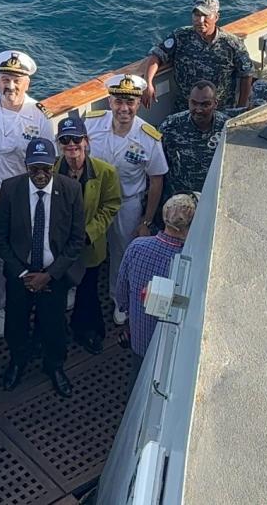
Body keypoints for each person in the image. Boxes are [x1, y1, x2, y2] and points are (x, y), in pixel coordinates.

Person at [0, 50, 55, 337]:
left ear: (28, 83)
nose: (10, 86)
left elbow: (44, 168)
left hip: (16, 199)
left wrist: (9, 195)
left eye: (17, 80)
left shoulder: (38, 117)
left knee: (5, 256)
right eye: (5, 79)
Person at [0, 138, 85, 395]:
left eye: (46, 168)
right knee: (16, 323)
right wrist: (23, 274)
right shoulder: (11, 189)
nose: (40, 174)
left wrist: (49, 276)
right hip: (20, 275)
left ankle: (54, 366)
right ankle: (17, 362)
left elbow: (77, 240)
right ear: (26, 166)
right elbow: (0, 237)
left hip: (55, 276)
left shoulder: (71, 190)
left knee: (54, 325)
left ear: (55, 164)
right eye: (34, 169)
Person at [85, 74, 168, 325]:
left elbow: (156, 180)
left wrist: (146, 220)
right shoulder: (91, 125)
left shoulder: (148, 137)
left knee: (122, 253)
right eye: (119, 101)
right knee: (85, 244)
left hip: (127, 202)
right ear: (109, 102)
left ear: (139, 104)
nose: (124, 108)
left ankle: (118, 299)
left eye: (130, 103)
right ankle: (74, 290)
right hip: (94, 200)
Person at [52, 117, 121, 354]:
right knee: (56, 291)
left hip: (89, 246)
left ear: (86, 141)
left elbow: (111, 205)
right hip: (59, 247)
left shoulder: (105, 172)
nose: (71, 144)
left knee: (88, 290)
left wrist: (88, 233)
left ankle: (88, 331)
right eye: (65, 140)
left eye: (76, 139)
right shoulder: (50, 170)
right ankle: (55, 334)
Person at [116, 193, 197, 388]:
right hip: (174, 345)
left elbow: (121, 293)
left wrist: (128, 315)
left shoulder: (137, 247)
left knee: (137, 382)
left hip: (140, 336)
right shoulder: (191, 261)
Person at [143, 0, 254, 111]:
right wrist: (148, 82)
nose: (200, 20)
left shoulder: (232, 44)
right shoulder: (180, 36)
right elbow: (157, 56)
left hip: (219, 111)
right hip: (185, 110)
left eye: (206, 15)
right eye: (197, 14)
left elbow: (246, 74)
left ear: (216, 17)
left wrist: (241, 107)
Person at [160, 80, 228, 197]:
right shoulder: (171, 126)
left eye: (205, 104)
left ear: (215, 103)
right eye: (194, 103)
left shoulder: (227, 128)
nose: (198, 109)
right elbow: (157, 164)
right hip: (179, 198)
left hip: (213, 197)